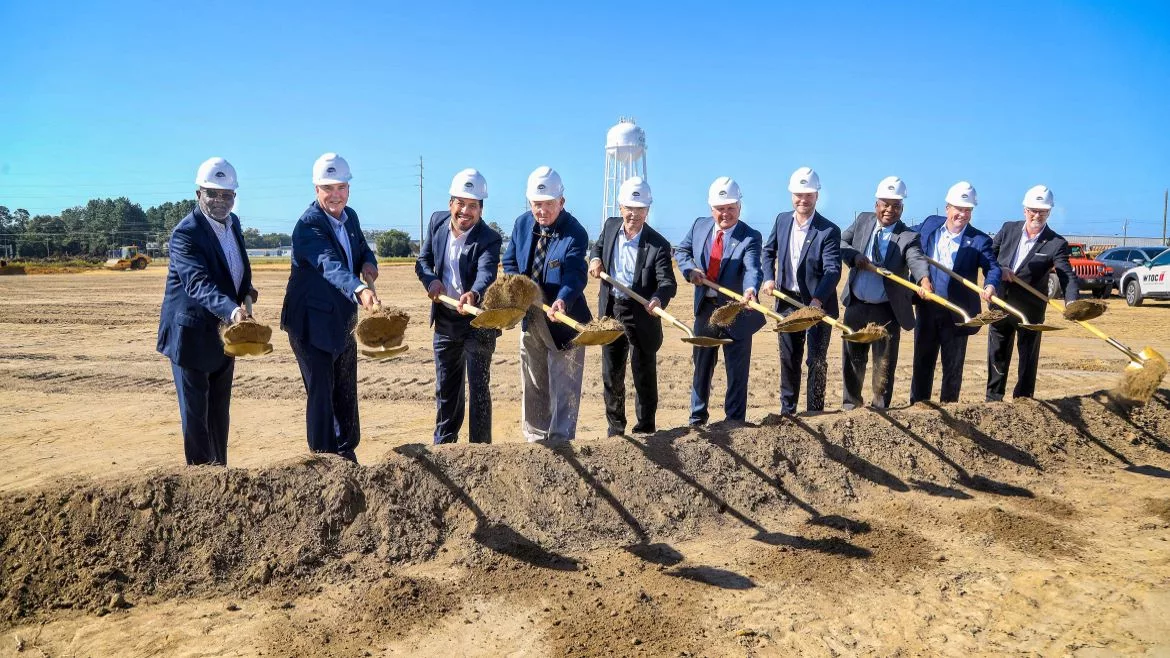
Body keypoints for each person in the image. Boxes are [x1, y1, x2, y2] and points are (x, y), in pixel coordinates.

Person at [157, 157, 256, 466]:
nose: (220, 201)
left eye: (227, 195)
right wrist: (234, 311)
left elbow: (235, 266)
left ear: (235, 198)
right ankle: (200, 485)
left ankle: (220, 478)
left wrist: (246, 292)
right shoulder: (186, 234)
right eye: (212, 193)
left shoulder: (234, 224)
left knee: (219, 415)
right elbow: (198, 283)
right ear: (198, 193)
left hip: (224, 334)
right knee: (196, 420)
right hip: (191, 336)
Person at [281, 153, 379, 462]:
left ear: (348, 188)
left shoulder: (350, 217)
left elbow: (362, 248)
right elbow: (330, 265)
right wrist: (359, 289)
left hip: (342, 321)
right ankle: (323, 461)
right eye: (328, 188)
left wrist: (369, 263)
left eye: (341, 187)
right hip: (310, 324)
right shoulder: (308, 226)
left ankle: (346, 451)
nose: (335, 195)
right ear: (316, 190)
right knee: (322, 392)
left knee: (345, 388)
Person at [502, 166, 591, 442]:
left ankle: (562, 439)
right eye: (536, 205)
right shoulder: (521, 224)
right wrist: (518, 289)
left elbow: (575, 274)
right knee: (534, 379)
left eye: (548, 205)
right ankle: (536, 438)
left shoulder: (575, 233)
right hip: (533, 315)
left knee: (564, 384)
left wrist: (562, 299)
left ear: (561, 202)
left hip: (564, 318)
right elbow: (510, 262)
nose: (541, 211)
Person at [415, 168, 502, 443]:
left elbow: (487, 273)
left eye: (473, 206)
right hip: (445, 321)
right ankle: (444, 447)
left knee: (478, 389)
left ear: (481, 209)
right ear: (450, 202)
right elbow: (423, 261)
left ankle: (480, 452)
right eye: (461, 204)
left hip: (477, 324)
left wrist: (474, 294)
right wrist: (430, 281)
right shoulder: (437, 223)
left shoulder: (489, 238)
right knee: (447, 389)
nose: (466, 211)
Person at [588, 176, 677, 436]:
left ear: (648, 210)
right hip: (612, 309)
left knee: (643, 372)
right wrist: (595, 259)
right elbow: (598, 246)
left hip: (641, 313)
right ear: (620, 208)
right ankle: (615, 429)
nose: (633, 214)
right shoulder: (611, 225)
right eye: (629, 208)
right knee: (612, 372)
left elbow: (667, 282)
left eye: (639, 209)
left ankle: (645, 427)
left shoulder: (658, 244)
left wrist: (658, 299)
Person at [674, 176, 765, 426]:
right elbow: (681, 251)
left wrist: (750, 290)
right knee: (702, 366)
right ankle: (697, 419)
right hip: (706, 309)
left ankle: (734, 421)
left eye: (731, 209)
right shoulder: (699, 226)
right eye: (720, 209)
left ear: (739, 206)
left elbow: (752, 268)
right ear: (711, 208)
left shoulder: (750, 236)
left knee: (737, 371)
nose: (725, 214)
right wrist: (690, 270)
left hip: (736, 311)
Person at [838, 176, 930, 409]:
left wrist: (924, 279)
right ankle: (851, 405)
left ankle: (880, 408)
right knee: (852, 359)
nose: (890, 210)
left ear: (902, 208)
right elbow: (840, 243)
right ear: (876, 205)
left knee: (884, 363)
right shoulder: (862, 221)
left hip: (886, 309)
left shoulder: (909, 236)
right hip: (856, 305)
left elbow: (916, 259)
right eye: (885, 204)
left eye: (896, 206)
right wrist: (855, 257)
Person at [909, 181, 1001, 403]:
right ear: (947, 207)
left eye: (968, 210)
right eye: (958, 209)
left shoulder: (980, 240)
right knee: (922, 362)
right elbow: (905, 237)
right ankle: (918, 407)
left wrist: (990, 285)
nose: (962, 214)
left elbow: (992, 267)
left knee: (953, 367)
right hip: (927, 307)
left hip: (958, 313)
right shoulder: (930, 224)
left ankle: (949, 411)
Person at [760, 167, 841, 414]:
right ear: (791, 195)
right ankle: (788, 411)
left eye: (808, 195)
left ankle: (815, 412)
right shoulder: (781, 220)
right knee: (789, 359)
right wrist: (768, 278)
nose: (803, 200)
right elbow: (767, 251)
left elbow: (832, 270)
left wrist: (817, 299)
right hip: (787, 301)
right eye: (798, 195)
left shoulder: (828, 230)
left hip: (816, 304)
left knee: (816, 360)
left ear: (817, 195)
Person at [986, 185, 1078, 400]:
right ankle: (993, 400)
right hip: (1001, 305)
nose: (1037, 215)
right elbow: (988, 257)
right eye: (1033, 210)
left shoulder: (1056, 243)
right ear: (1025, 209)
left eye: (1043, 211)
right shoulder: (1008, 229)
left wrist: (1072, 302)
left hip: (1030, 311)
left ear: (1049, 213)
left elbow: (1066, 275)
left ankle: (1024, 402)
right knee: (996, 354)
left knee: (1028, 358)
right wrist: (999, 270)